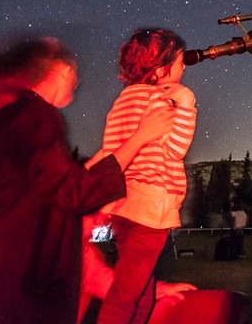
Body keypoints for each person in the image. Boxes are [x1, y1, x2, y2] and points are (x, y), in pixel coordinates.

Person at [0, 36, 174, 324]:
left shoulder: (12, 119)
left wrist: (116, 148)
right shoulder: (36, 115)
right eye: (74, 73)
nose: (77, 82)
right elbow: (74, 192)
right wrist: (141, 137)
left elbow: (53, 182)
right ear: (58, 71)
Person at [95, 29, 198, 324]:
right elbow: (176, 149)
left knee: (139, 292)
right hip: (149, 206)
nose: (184, 67)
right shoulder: (158, 99)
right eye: (180, 61)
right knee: (125, 297)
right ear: (163, 68)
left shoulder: (123, 100)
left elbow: (112, 150)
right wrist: (186, 104)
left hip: (123, 204)